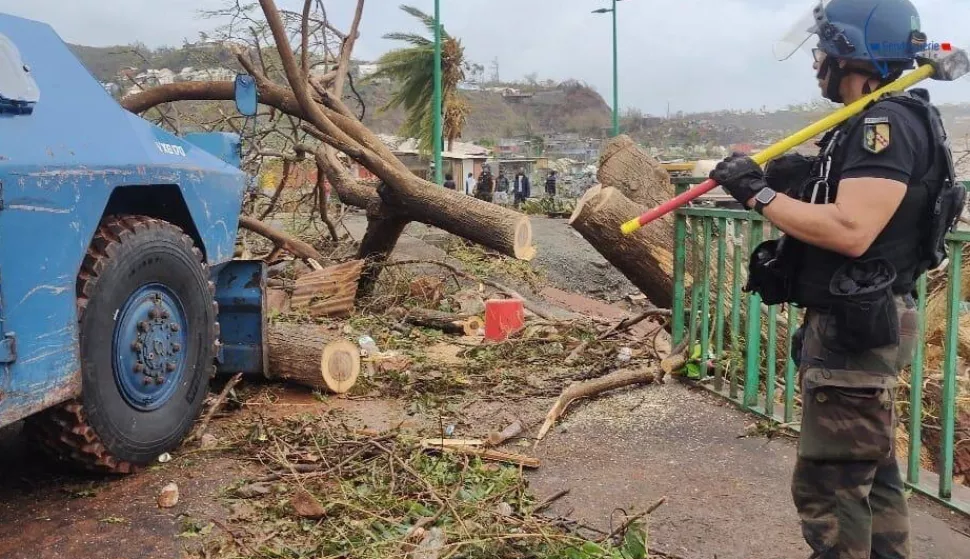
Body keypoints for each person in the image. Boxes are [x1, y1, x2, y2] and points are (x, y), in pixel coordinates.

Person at [709, 1, 965, 557]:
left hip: (858, 329)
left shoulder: (884, 123)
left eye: (822, 48)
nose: (815, 61)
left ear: (849, 52)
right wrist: (796, 182)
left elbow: (852, 230)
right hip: (859, 322)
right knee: (870, 476)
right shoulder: (875, 120)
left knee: (832, 488)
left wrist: (760, 195)